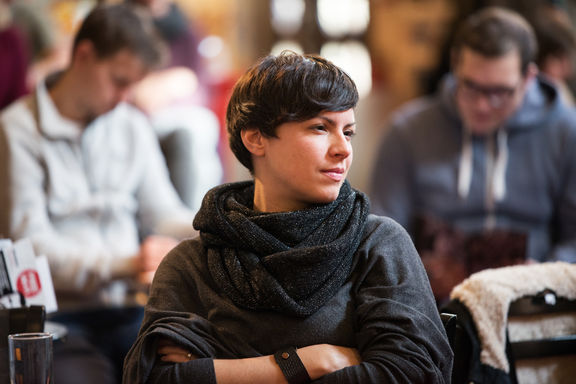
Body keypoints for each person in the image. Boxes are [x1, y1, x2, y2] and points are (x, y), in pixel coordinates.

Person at [123, 51, 452, 384]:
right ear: (255, 138)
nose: (343, 149)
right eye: (320, 128)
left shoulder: (377, 243)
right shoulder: (191, 263)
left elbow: (412, 374)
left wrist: (226, 369)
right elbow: (154, 377)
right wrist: (310, 361)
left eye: (348, 132)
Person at [0, 3, 195, 383]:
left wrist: (217, 221)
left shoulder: (132, 125)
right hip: (56, 316)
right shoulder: (15, 129)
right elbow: (29, 249)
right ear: (84, 55)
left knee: (193, 369)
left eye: (133, 86)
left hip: (130, 308)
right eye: (119, 81)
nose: (125, 97)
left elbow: (163, 211)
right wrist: (129, 262)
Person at [369, 6, 576, 303]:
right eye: (470, 86)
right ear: (455, 67)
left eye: (499, 92)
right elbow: (382, 239)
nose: (481, 105)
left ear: (529, 78)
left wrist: (544, 275)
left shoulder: (566, 132)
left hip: (532, 300)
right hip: (431, 304)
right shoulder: (406, 133)